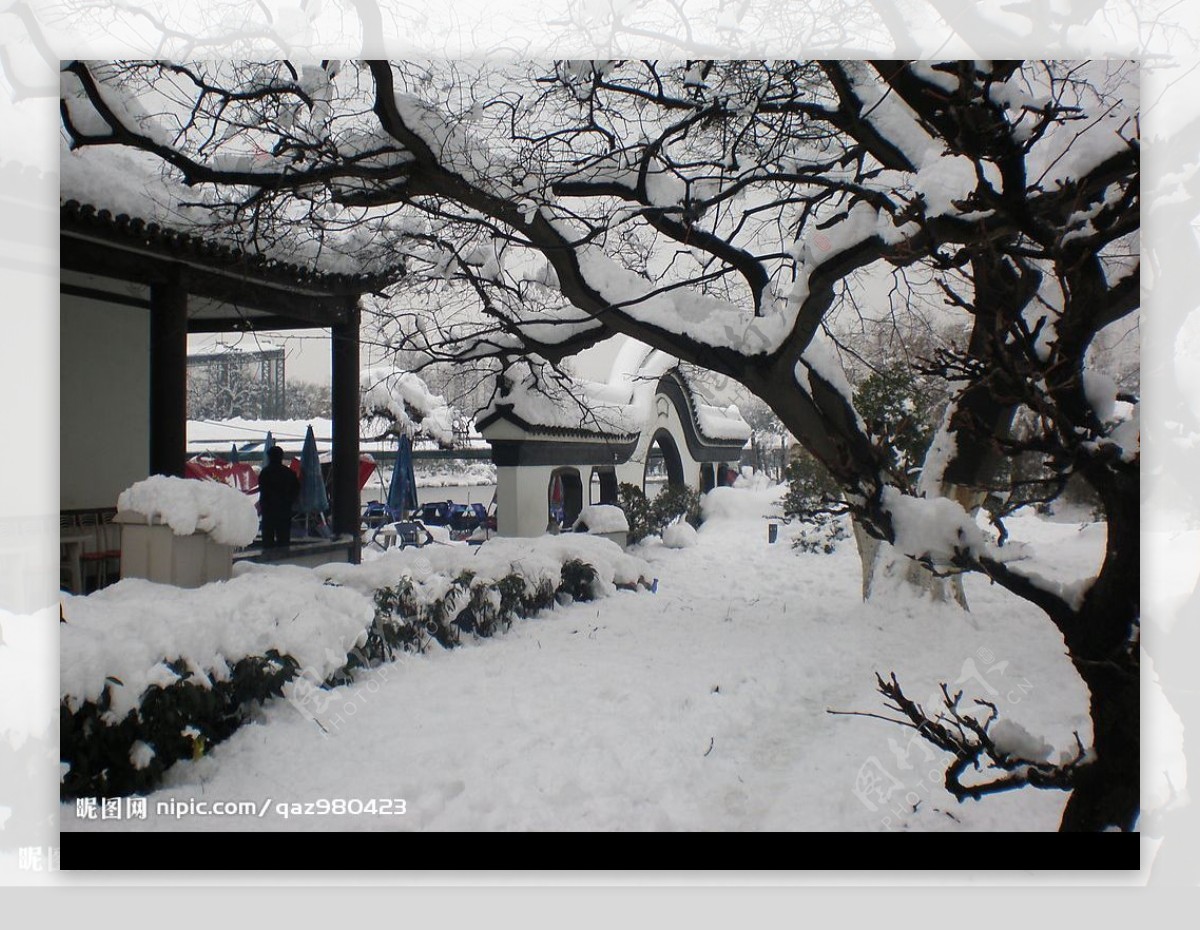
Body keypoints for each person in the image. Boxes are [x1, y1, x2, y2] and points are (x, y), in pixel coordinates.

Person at [258, 445, 300, 549]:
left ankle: (267, 562)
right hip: (284, 511)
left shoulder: (265, 473)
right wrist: (289, 501)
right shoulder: (289, 473)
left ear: (269, 457)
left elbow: (262, 490)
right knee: (284, 540)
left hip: (268, 511)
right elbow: (296, 490)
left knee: (268, 541)